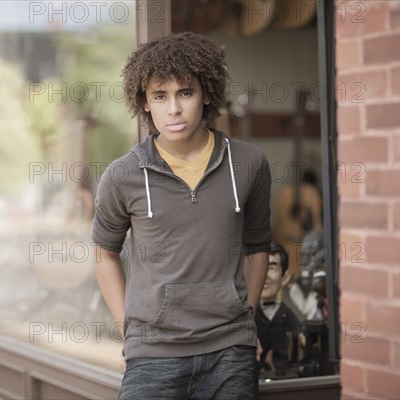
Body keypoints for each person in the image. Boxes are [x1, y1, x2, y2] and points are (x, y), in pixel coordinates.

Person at [92, 32, 272, 400]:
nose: (173, 109)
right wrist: (128, 330)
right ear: (144, 103)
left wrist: (247, 323)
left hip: (229, 352)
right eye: (160, 96)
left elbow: (257, 246)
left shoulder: (249, 164)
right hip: (152, 355)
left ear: (206, 93)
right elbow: (104, 253)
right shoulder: (122, 175)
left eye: (184, 93)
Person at [255, 242, 301, 377]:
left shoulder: (285, 312)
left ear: (285, 277)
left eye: (272, 268)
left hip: (282, 368)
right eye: (259, 268)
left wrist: (301, 334)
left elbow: (295, 325)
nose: (264, 276)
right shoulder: (250, 314)